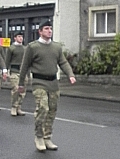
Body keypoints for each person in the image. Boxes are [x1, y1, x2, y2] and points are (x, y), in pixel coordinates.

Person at [18, 20, 76, 151]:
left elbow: (63, 62)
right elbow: (24, 66)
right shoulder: (32, 47)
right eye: (46, 28)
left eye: (50, 28)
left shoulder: (56, 47)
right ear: (40, 31)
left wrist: (70, 74)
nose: (49, 31)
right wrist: (21, 84)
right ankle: (38, 136)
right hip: (39, 83)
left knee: (52, 110)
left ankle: (47, 137)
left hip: (53, 83)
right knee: (43, 107)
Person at [5, 33, 27, 115]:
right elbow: (7, 60)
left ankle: (19, 107)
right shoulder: (11, 48)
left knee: (22, 91)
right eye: (19, 36)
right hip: (14, 71)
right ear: (15, 38)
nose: (21, 38)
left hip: (23, 72)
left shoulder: (25, 48)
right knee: (16, 89)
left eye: (22, 36)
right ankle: (14, 107)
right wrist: (5, 71)